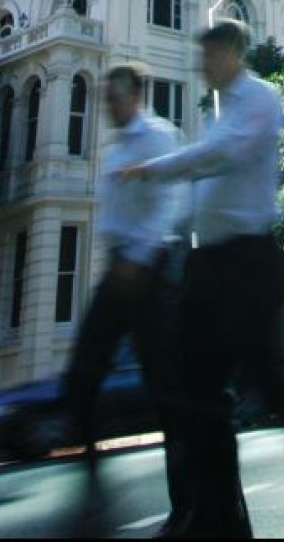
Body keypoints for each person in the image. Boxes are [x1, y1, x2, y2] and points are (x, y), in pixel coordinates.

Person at [119, 20, 284, 538]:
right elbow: (207, 189)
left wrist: (154, 170)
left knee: (268, 381)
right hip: (209, 266)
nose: (202, 66)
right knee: (194, 391)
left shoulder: (260, 100)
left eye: (208, 56)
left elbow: (221, 156)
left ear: (232, 52)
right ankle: (217, 515)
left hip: (249, 263)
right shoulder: (223, 110)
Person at [61, 62, 187, 478]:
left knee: (166, 383)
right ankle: (92, 471)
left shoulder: (158, 136)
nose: (108, 105)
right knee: (83, 370)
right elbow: (112, 216)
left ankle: (186, 492)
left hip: (149, 270)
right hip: (118, 269)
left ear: (135, 95)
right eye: (106, 98)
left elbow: (171, 202)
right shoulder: (114, 150)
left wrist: (139, 257)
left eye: (114, 97)